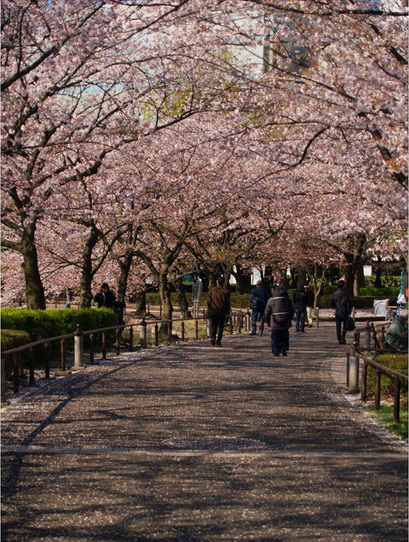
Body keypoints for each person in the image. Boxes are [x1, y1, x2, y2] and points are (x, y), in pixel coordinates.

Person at [264, 285, 294, 357]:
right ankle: (284, 348)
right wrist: (289, 319)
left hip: (274, 322)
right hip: (285, 322)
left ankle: (276, 351)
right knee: (285, 336)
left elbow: (267, 311)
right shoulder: (287, 299)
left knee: (275, 337)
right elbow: (292, 310)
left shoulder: (271, 300)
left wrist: (266, 321)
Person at [207, 277, 230, 347]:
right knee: (220, 327)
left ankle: (212, 337)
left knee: (213, 325)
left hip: (213, 310)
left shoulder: (212, 290)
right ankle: (218, 341)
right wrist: (227, 311)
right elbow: (227, 303)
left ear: (217, 282)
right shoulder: (226, 291)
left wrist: (209, 308)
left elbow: (208, 301)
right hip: (221, 311)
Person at [331, 278, 351, 344]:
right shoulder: (346, 293)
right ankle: (343, 336)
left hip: (338, 311)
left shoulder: (334, 293)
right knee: (345, 325)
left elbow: (332, 303)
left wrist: (335, 307)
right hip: (345, 311)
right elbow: (348, 303)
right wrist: (349, 311)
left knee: (338, 326)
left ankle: (339, 338)